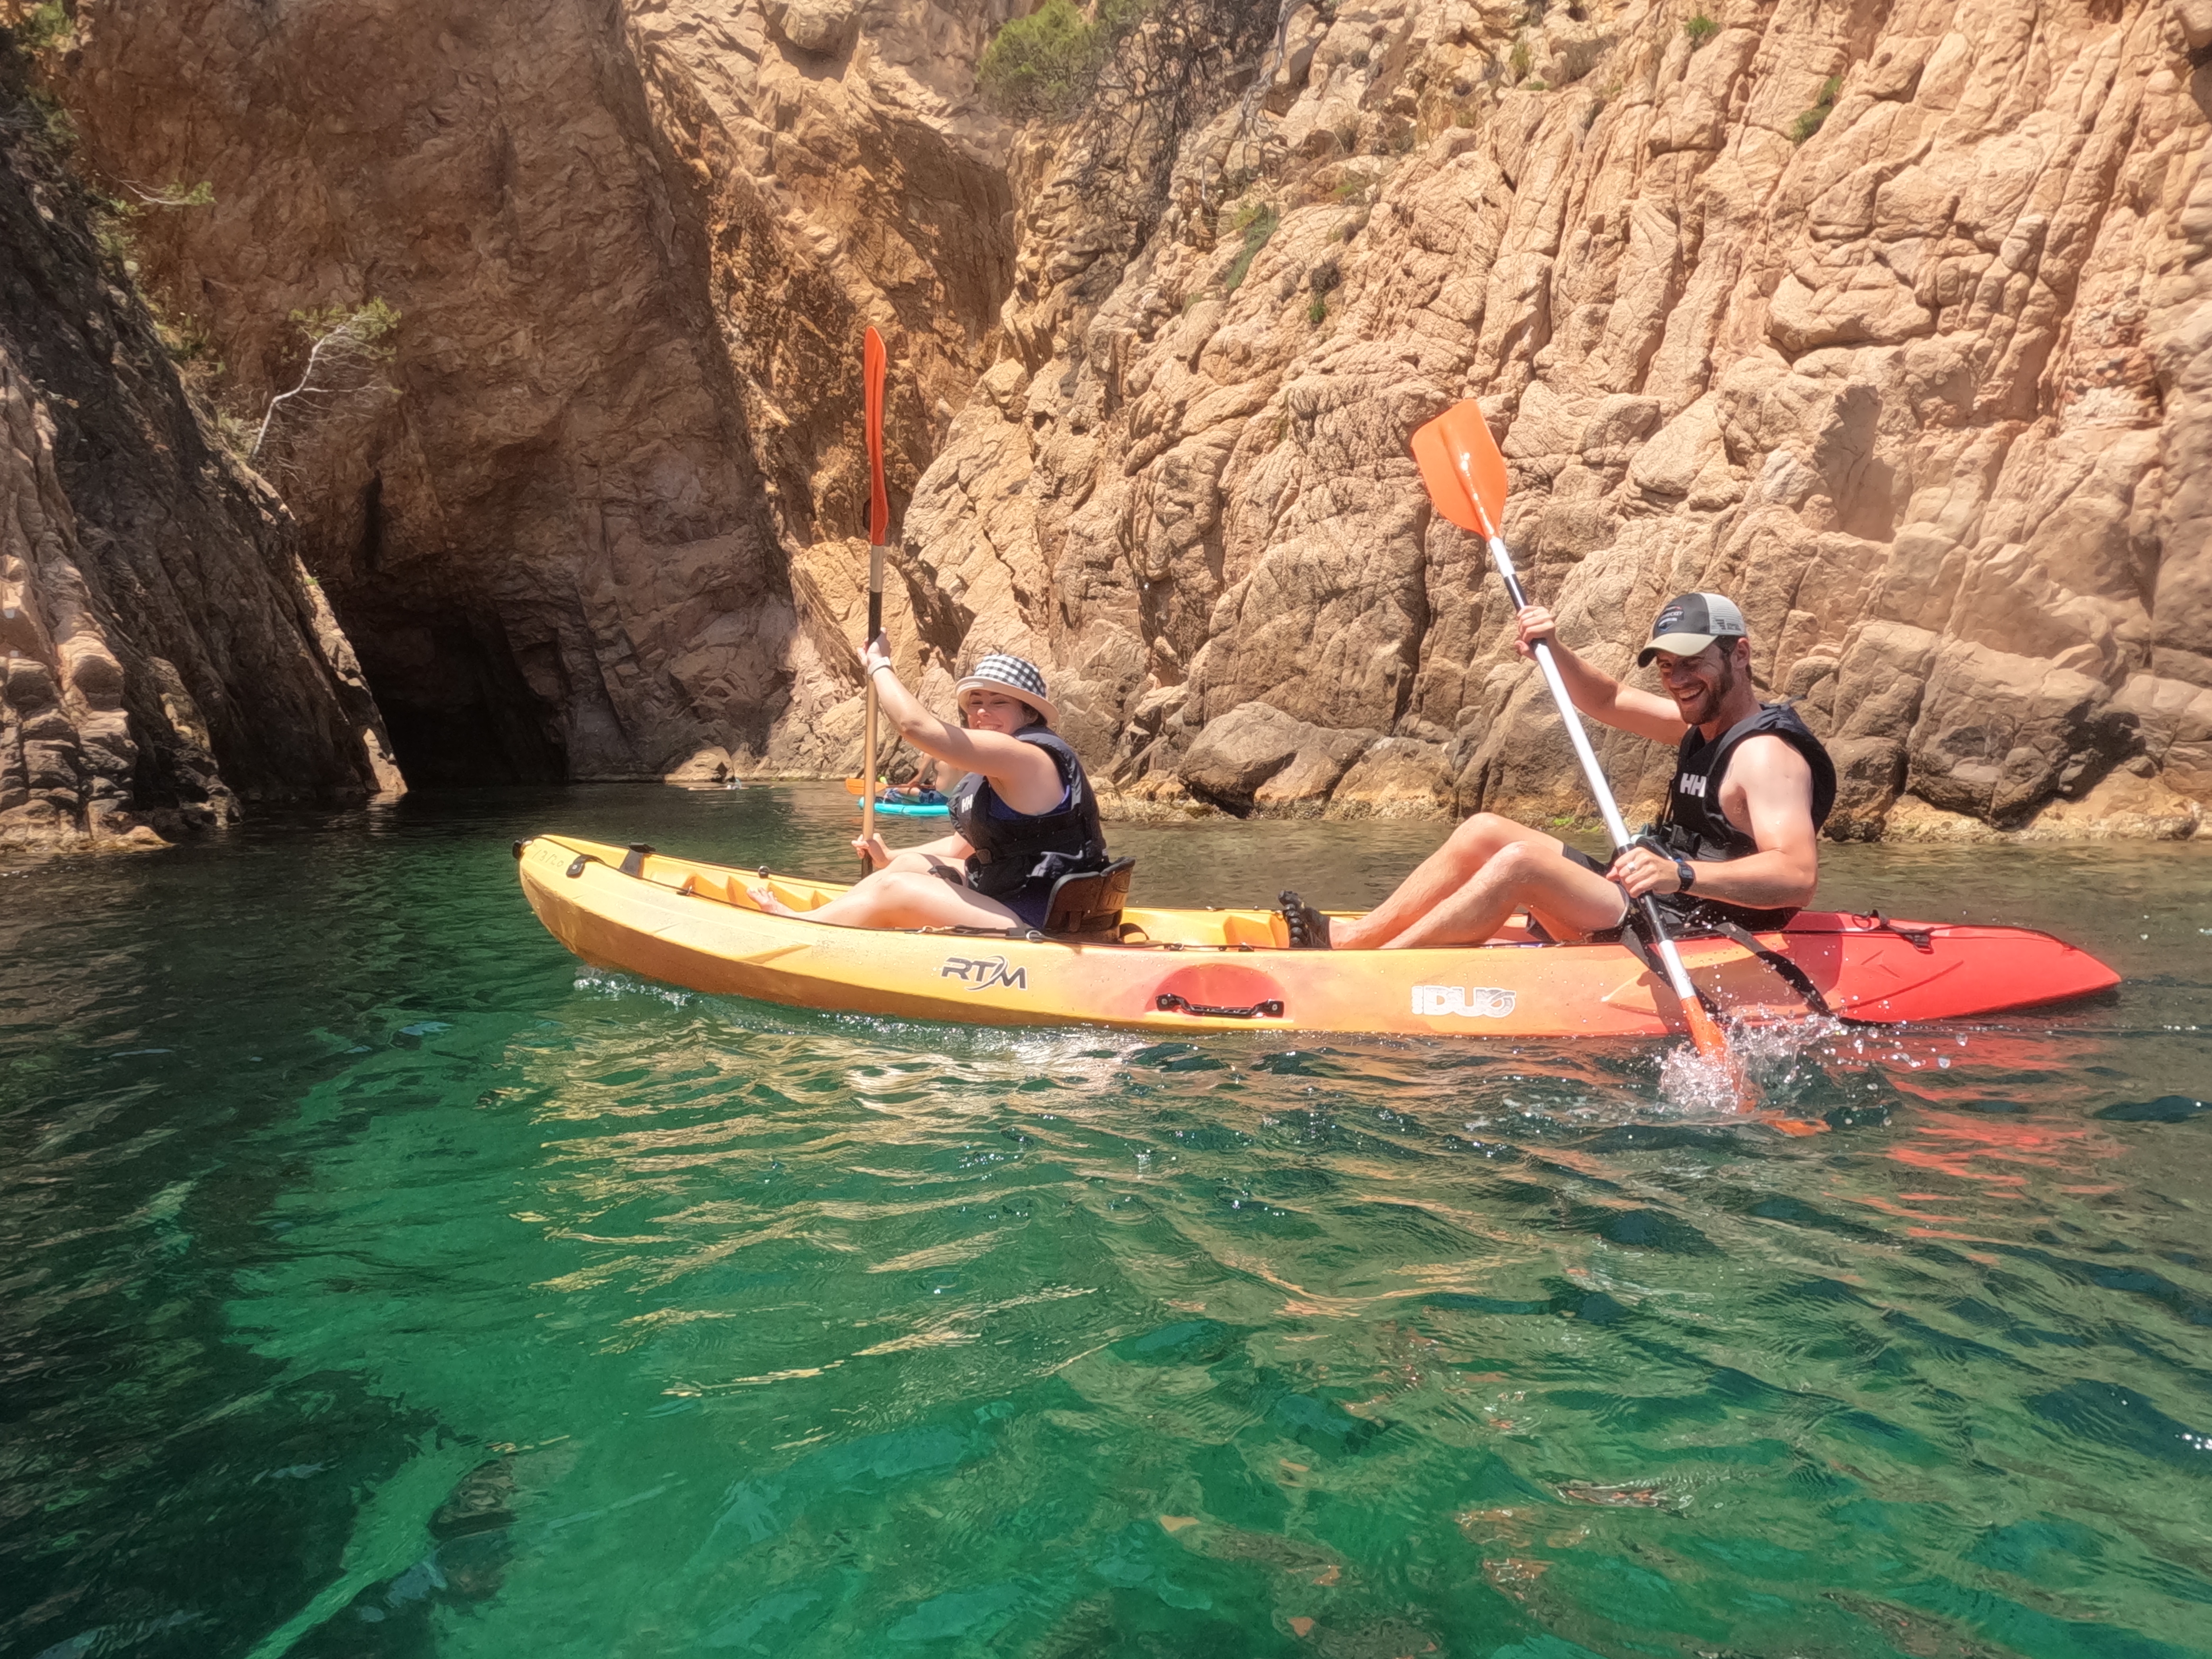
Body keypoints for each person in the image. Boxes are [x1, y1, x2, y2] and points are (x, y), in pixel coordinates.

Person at [1282, 592, 1836, 949]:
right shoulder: (1703, 723)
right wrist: (1552, 648)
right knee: (1484, 832)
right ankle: (1353, 940)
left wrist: (1683, 875)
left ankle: (1377, 969)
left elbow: (1797, 878)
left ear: (1739, 655)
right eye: (1667, 667)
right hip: (1654, 900)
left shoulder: (1766, 756)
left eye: (1693, 663)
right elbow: (1610, 698)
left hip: (1697, 927)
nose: (1678, 679)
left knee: (1522, 864)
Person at [750, 643, 1111, 930]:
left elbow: (914, 726)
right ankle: (838, 916)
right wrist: (889, 856)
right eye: (976, 703)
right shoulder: (996, 769)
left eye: (999, 703)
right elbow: (962, 846)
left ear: (1030, 714)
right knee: (907, 864)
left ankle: (801, 927)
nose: (983, 713)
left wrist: (879, 665)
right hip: (1010, 897)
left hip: (1041, 917)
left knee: (894, 889)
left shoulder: (1025, 757)